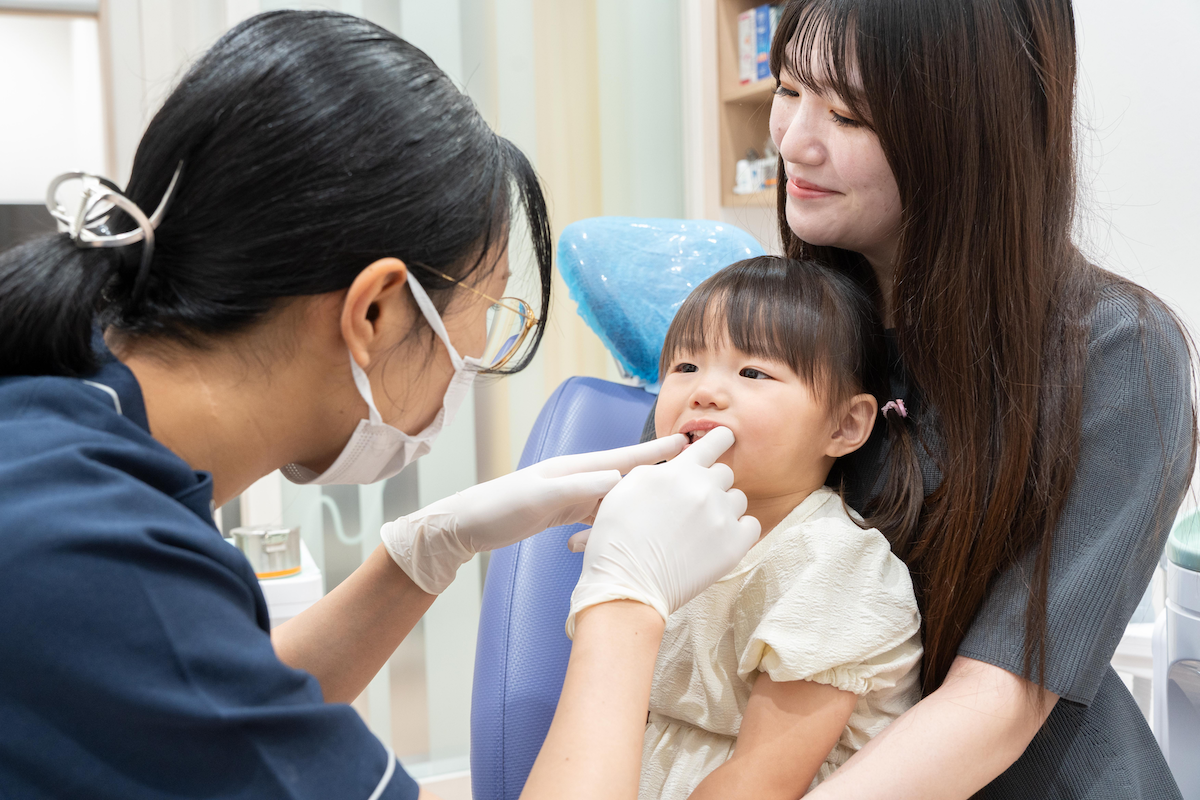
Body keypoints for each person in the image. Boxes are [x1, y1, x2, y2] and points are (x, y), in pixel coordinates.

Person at [0, 11, 759, 800]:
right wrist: (626, 603)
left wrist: (421, 552)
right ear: (377, 312)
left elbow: (200, 722)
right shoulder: (94, 554)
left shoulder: (69, 422)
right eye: (489, 312)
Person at [757, 0, 1197, 797]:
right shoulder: (803, 330)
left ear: (969, 132)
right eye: (787, 89)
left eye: (849, 114)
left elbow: (996, 705)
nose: (793, 140)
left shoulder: (1118, 355)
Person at [621, 256, 923, 799]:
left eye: (753, 373)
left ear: (846, 424)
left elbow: (760, 784)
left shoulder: (834, 567)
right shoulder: (664, 532)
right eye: (685, 367)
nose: (704, 392)